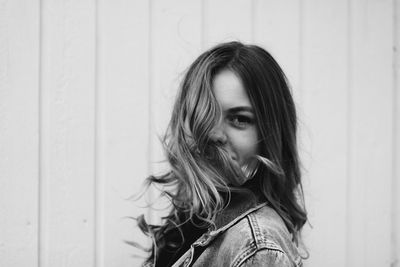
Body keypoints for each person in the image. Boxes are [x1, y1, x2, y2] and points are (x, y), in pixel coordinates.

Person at [137, 41, 308, 267]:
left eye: (239, 119)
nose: (214, 134)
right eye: (203, 114)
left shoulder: (257, 246)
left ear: (270, 137)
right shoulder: (188, 226)